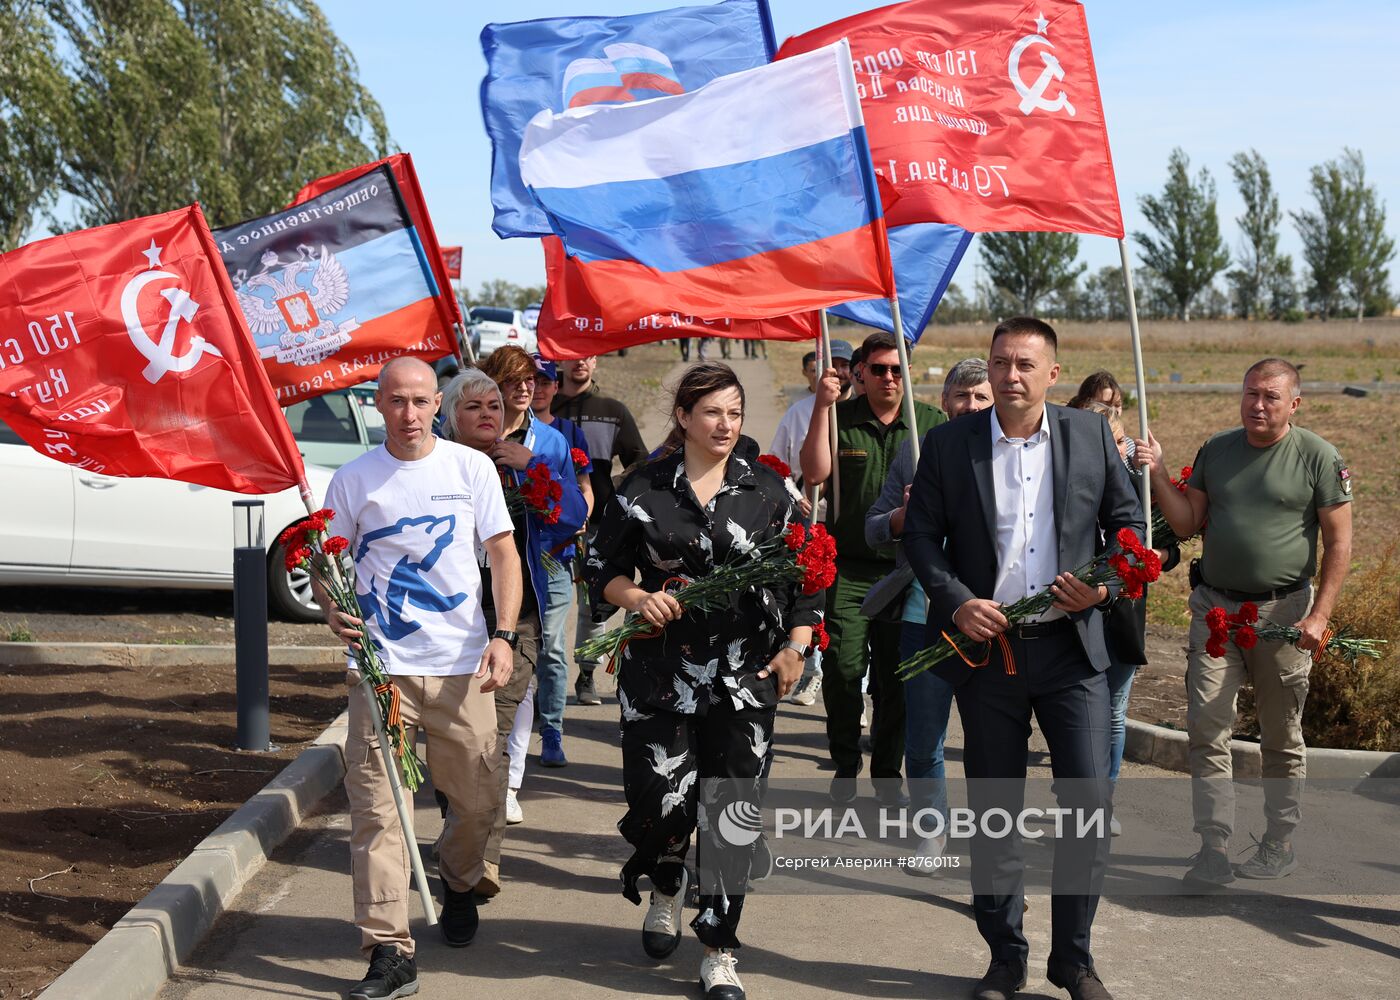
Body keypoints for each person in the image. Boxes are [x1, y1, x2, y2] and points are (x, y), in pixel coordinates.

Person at [904, 318, 1144, 1000]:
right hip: (991, 655)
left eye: (1025, 364)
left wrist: (1103, 585)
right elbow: (922, 536)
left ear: (1051, 374)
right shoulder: (950, 445)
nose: (1011, 375)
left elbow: (1130, 529)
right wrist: (955, 601)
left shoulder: (1091, 436)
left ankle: (1074, 960)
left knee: (1087, 807)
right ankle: (1004, 957)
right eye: (1001, 362)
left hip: (1073, 652)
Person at [584, 362, 821, 1000]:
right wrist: (635, 598)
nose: (726, 424)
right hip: (660, 676)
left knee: (732, 813)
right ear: (684, 418)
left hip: (746, 680)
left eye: (735, 413)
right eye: (712, 412)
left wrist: (799, 645)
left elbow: (808, 581)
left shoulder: (770, 492)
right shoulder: (642, 489)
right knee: (663, 805)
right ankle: (666, 882)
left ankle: (718, 948)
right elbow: (599, 567)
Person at [318, 357, 521, 1000]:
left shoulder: (471, 469)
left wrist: (504, 634)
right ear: (378, 404)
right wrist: (332, 611)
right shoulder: (353, 480)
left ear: (439, 403)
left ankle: (459, 881)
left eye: (420, 401)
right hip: (381, 673)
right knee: (379, 810)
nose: (409, 414)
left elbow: (501, 555)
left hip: (464, 668)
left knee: (478, 803)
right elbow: (328, 562)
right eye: (396, 401)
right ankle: (388, 948)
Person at [1138, 357, 1352, 886]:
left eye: (1271, 397)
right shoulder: (1217, 449)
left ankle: (1278, 841)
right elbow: (1187, 521)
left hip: (1282, 616)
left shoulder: (1318, 458)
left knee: (1281, 735)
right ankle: (1212, 847)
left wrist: (1320, 615)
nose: (1258, 405)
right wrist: (1160, 472)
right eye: (1251, 393)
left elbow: (1340, 543)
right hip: (1216, 611)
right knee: (1207, 726)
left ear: (1294, 404)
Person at [442, 353, 586, 892]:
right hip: (447, 626)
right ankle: (461, 839)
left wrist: (532, 468)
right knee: (453, 754)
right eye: (473, 405)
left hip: (512, 622)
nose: (487, 414)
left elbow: (573, 515)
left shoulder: (527, 458)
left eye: (494, 406)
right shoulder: (437, 465)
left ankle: (481, 863)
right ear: (450, 415)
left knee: (492, 745)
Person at [800, 331, 946, 805]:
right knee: (843, 670)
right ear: (859, 371)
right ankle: (845, 763)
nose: (888, 377)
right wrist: (823, 407)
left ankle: (887, 774)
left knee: (895, 678)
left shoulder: (930, 424)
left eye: (897, 369)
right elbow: (814, 473)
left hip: (908, 571)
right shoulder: (839, 418)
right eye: (878, 369)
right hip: (851, 568)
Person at [863, 358, 993, 866]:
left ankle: (991, 840)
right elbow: (874, 528)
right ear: (944, 403)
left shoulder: (1013, 458)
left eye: (981, 397)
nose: (972, 406)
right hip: (923, 620)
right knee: (923, 741)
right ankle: (932, 832)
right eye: (962, 397)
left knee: (992, 745)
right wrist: (904, 515)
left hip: (991, 623)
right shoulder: (915, 456)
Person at [1069, 401, 1181, 836]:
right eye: (1102, 439)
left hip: (1123, 614)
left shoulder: (1141, 485)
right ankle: (1075, 797)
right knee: (1073, 712)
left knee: (1114, 710)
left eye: (1118, 440)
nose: (1112, 449)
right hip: (1071, 610)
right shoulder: (1065, 478)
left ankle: (1104, 800)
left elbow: (1172, 545)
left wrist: (1157, 555)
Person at [552, 355, 649, 705]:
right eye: (571, 356)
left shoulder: (612, 409)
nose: (579, 362)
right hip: (549, 526)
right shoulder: (545, 406)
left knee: (594, 603)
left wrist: (614, 489)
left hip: (600, 524)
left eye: (587, 356)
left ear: (595, 362)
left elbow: (640, 459)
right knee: (549, 604)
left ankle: (587, 674)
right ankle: (539, 680)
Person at [529, 353, 595, 766]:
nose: (534, 388)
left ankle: (551, 730)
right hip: (515, 555)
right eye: (525, 380)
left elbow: (584, 488)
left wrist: (580, 517)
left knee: (551, 648)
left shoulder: (566, 435)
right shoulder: (490, 438)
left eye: (542, 381)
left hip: (554, 554)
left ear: (555, 387)